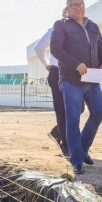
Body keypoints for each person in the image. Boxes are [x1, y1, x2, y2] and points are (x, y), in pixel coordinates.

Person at [50, 0, 102, 175]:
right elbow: (56, 49)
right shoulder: (61, 25)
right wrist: (76, 63)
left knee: (99, 112)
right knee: (73, 119)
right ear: (67, 9)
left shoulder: (93, 26)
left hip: (92, 78)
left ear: (84, 6)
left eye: (80, 4)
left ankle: (82, 149)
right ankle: (76, 161)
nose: (77, 7)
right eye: (73, 5)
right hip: (70, 80)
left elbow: (101, 48)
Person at [34, 24, 69, 156]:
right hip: (57, 71)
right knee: (61, 110)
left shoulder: (78, 30)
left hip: (73, 72)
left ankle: (57, 132)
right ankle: (65, 144)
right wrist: (46, 64)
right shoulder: (55, 30)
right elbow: (38, 48)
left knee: (79, 108)